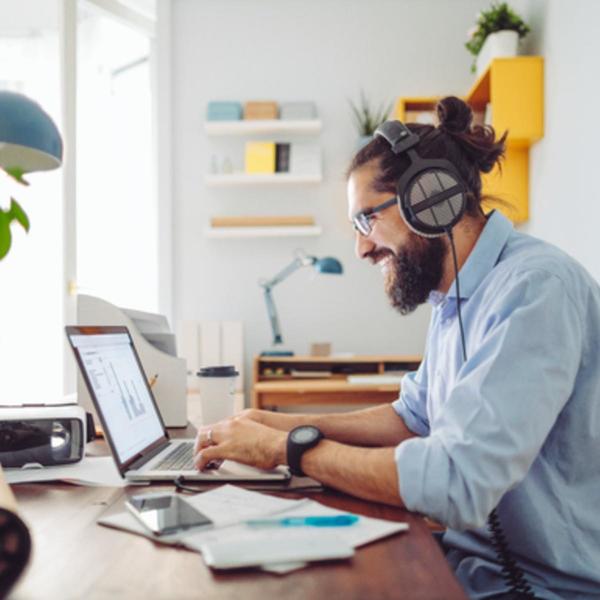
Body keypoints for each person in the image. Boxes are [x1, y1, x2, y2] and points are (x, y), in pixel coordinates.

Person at [194, 96, 600, 599]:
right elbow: (414, 417)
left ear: (431, 199)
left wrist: (289, 449)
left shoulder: (536, 289)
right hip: (467, 566)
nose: (361, 248)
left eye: (367, 220)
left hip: (539, 589)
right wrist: (272, 423)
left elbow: (456, 481)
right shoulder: (454, 294)